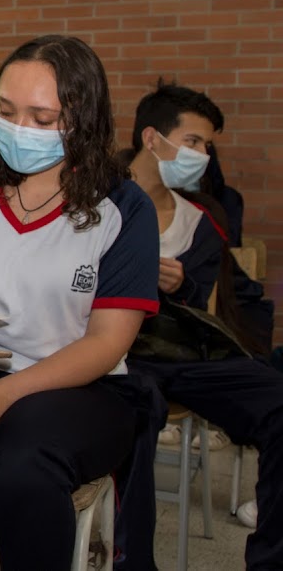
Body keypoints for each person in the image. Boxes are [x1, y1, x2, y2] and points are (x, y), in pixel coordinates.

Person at [0, 35, 160, 571]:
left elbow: (107, 343)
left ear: (83, 120)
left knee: (24, 468)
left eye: (42, 118)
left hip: (78, 387)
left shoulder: (123, 208)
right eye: (7, 112)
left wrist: (5, 394)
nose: (19, 130)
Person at [125, 80, 283, 570]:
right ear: (153, 139)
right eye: (193, 142)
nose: (203, 155)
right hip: (111, 351)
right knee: (134, 407)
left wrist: (180, 286)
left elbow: (202, 307)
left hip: (180, 353)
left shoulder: (203, 219)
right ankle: (129, 559)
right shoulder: (95, 197)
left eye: (207, 146)